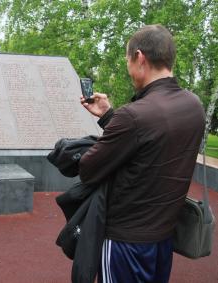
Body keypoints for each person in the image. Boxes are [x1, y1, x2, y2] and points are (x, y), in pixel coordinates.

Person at [79, 24, 205, 282]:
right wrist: (109, 117)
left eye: (127, 60)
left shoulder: (134, 115)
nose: (128, 67)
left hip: (126, 242)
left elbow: (88, 169)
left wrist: (117, 120)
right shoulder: (194, 105)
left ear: (139, 57)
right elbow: (152, 145)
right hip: (163, 238)